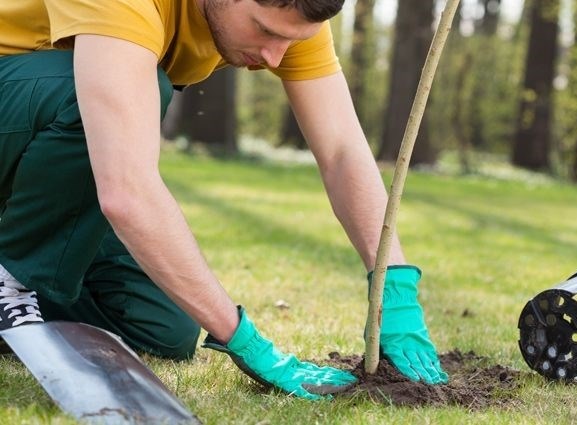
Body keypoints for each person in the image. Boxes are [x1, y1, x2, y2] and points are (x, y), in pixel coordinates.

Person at [0, 0, 448, 399]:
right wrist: (243, 340)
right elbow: (126, 190)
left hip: (32, 159)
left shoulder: (291, 17)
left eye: (290, 40)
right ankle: (12, 284)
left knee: (162, 330)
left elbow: (342, 151)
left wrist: (395, 285)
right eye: (266, 31)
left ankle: (20, 292)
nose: (275, 57)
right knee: (121, 88)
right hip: (22, 104)